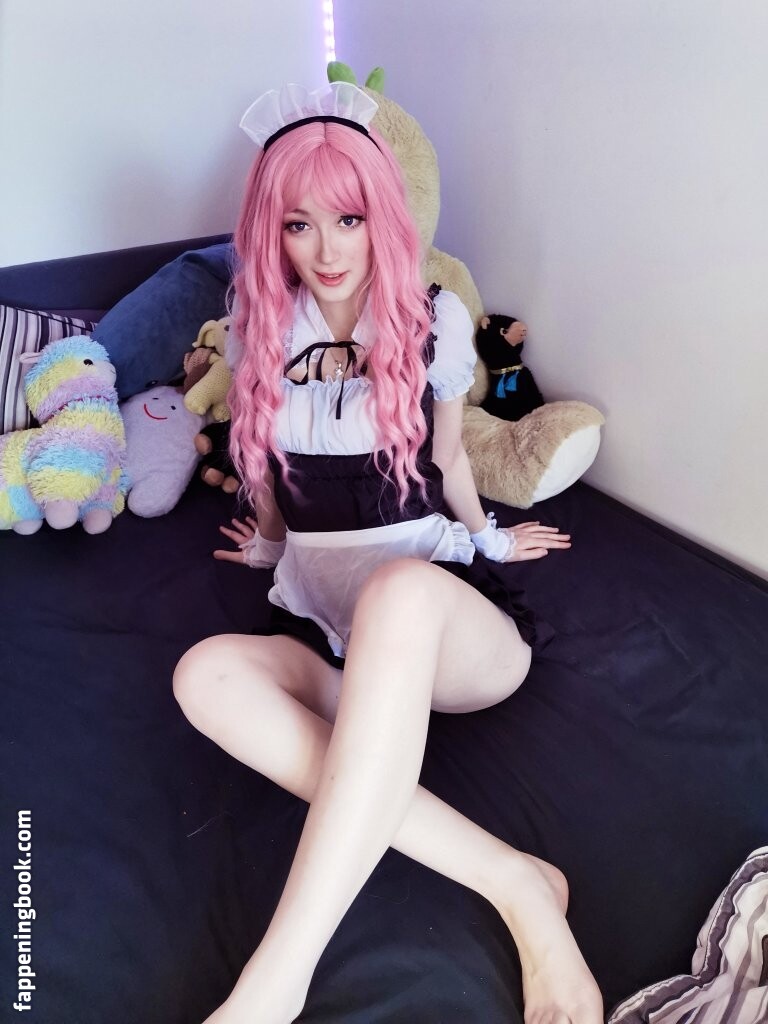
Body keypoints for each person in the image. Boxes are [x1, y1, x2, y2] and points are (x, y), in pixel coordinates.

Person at [173, 82, 603, 1024]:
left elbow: (448, 459)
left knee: (399, 592)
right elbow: (270, 472)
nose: (326, 251)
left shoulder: (429, 317)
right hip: (336, 634)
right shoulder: (259, 327)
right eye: (299, 225)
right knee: (203, 675)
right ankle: (516, 881)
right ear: (273, 232)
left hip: (441, 624)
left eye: (350, 219)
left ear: (383, 218)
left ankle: (274, 985)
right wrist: (270, 548)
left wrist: (490, 537)